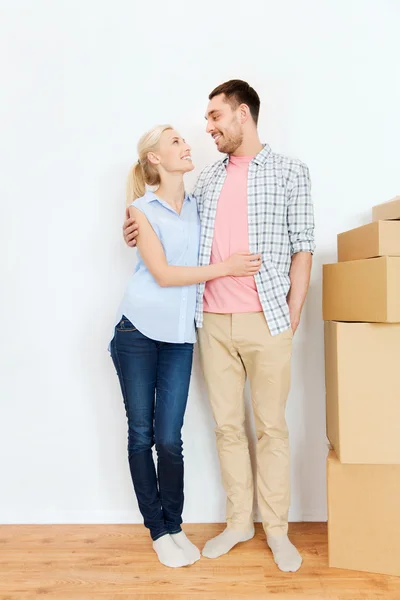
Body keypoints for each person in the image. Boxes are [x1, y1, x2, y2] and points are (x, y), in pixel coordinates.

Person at [123, 80, 315, 573]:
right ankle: (239, 523)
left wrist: (292, 315)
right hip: (210, 322)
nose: (207, 128)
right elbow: (167, 216)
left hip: (268, 319)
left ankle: (277, 529)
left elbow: (303, 248)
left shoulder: (291, 172)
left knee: (271, 427)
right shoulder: (204, 180)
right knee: (228, 427)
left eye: (215, 117)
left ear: (243, 115)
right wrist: (135, 228)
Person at [110, 123, 261, 569]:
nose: (186, 144)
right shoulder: (140, 209)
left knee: (169, 439)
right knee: (141, 435)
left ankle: (175, 525)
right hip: (137, 332)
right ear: (155, 158)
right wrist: (226, 268)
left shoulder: (199, 206)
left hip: (179, 336)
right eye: (175, 141)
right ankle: (157, 531)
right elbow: (163, 274)